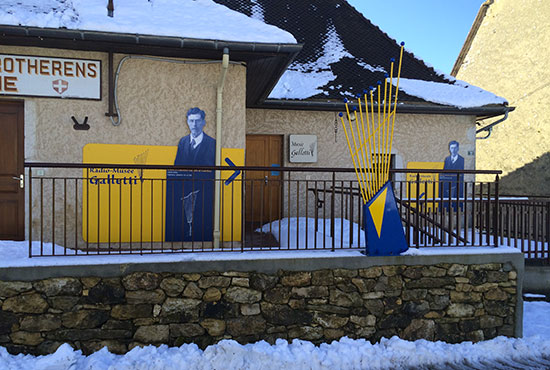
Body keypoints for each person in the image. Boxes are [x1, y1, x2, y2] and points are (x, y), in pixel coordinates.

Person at [165, 107, 216, 242]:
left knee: (200, 219)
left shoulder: (212, 143)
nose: (194, 124)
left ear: (204, 122)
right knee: (182, 219)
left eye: (197, 121)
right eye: (191, 121)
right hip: (184, 189)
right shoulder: (182, 142)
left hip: (203, 189)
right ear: (187, 122)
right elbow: (178, 165)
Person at [441, 140, 464, 210]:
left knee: (456, 203)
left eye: (455, 148)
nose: (453, 150)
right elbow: (444, 172)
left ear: (458, 149)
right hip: (447, 185)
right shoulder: (447, 159)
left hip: (457, 184)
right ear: (449, 149)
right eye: (451, 148)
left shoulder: (461, 159)